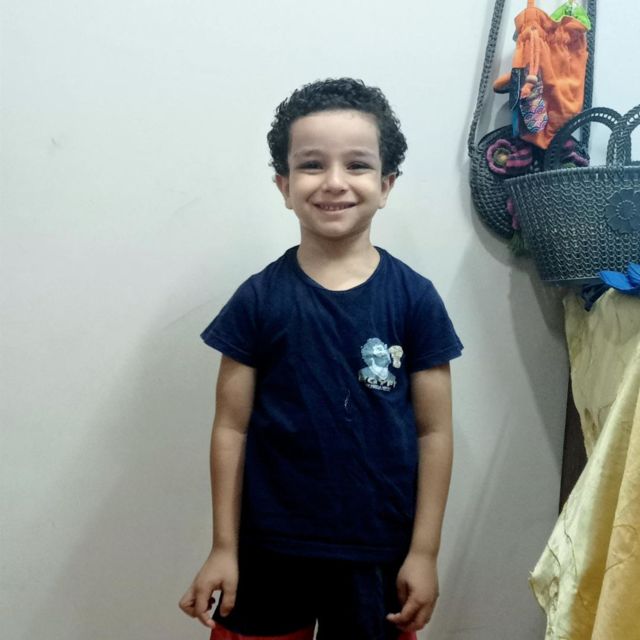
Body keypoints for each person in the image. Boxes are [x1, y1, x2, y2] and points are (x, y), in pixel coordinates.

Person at [179, 77, 463, 639]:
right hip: (267, 550)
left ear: (386, 184)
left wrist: (425, 552)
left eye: (357, 165)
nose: (334, 181)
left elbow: (434, 433)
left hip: (377, 553)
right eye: (312, 165)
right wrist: (223, 547)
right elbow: (231, 428)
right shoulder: (258, 299)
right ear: (284, 186)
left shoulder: (415, 300)